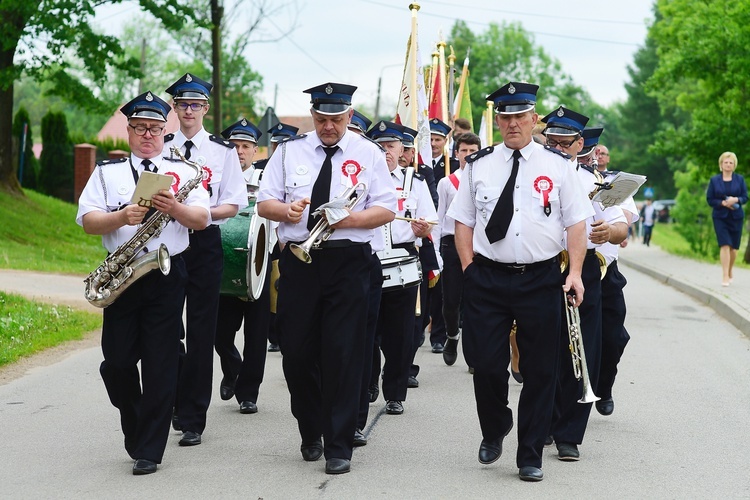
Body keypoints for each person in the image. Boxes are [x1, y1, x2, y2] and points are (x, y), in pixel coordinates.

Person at [447, 82, 593, 482]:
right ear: (498, 121)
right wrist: (468, 268)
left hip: (541, 278)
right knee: (486, 365)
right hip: (487, 278)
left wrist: (575, 273)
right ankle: (495, 427)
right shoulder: (478, 165)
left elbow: (576, 223)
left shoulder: (558, 166)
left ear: (533, 118)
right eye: (505, 116)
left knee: (541, 369)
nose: (512, 124)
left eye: (519, 116)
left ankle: (530, 454)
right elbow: (463, 222)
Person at [257, 82, 396, 475]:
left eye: (336, 119)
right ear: (312, 115)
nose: (328, 127)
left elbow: (386, 208)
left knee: (343, 353)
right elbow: (265, 202)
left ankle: (338, 445)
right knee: (297, 353)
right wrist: (286, 211)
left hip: (349, 261)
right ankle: (310, 427)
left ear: (350, 116)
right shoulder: (288, 152)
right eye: (321, 119)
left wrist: (350, 219)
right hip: (300, 262)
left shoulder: (368, 153)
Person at [76, 91, 210, 475]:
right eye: (140, 128)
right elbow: (87, 222)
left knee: (161, 363)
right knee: (116, 364)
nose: (148, 135)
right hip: (123, 273)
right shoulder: (106, 172)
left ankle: (150, 449)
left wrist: (176, 209)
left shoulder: (184, 172)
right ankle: (135, 422)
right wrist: (121, 217)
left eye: (155, 128)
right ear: (129, 131)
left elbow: (201, 220)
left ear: (165, 131)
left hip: (167, 274)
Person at [164, 73, 248, 447]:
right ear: (175, 108)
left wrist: (198, 213)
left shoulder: (222, 150)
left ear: (206, 109)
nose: (188, 111)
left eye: (195, 105)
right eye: (182, 105)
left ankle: (194, 416)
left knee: (201, 331)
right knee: (166, 327)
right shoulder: (161, 147)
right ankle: (174, 400)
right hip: (165, 242)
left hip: (204, 242)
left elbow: (235, 203)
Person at [542, 111, 628, 463]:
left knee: (584, 350)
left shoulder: (595, 180)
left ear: (580, 145)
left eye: (566, 143)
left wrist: (609, 232)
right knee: (545, 348)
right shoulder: (533, 172)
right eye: (553, 142)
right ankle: (544, 418)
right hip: (543, 265)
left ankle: (569, 434)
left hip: (586, 268)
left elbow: (621, 226)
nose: (559, 149)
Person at [367, 120, 436, 415]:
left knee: (400, 333)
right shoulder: (361, 179)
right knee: (366, 329)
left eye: (391, 146)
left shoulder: (414, 182)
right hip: (368, 258)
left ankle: (395, 392)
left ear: (402, 150)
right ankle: (367, 383)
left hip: (404, 259)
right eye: (379, 146)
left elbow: (431, 220)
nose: (385, 152)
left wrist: (422, 230)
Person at [212, 118, 271, 415]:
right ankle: (232, 369)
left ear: (255, 150)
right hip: (226, 261)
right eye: (234, 146)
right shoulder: (217, 180)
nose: (239, 151)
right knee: (219, 333)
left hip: (261, 261)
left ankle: (249, 393)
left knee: (257, 334)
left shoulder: (267, 179)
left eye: (245, 146)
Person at [590, 142, 639, 417]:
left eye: (602, 153)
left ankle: (604, 387)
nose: (598, 156)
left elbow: (628, 217)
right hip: (571, 265)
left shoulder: (613, 182)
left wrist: (612, 219)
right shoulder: (567, 175)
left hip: (606, 270)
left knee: (614, 337)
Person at [436, 132, 481, 366]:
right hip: (451, 245)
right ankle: (452, 336)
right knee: (451, 301)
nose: (468, 155)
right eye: (464, 151)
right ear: (456, 154)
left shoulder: (485, 179)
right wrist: (435, 252)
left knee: (475, 301)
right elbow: (439, 217)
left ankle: (474, 353)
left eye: (473, 151)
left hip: (478, 247)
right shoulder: (447, 183)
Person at [262, 121, 302, 353]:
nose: (279, 148)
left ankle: (281, 335)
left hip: (286, 238)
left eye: (283, 143)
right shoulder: (263, 167)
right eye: (276, 143)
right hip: (265, 237)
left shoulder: (300, 165)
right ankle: (275, 335)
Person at [707, 151, 748, 286]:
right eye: (726, 162)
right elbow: (710, 199)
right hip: (720, 216)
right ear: (721, 164)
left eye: (731, 163)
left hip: (736, 216)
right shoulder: (714, 180)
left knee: (733, 247)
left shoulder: (740, 179)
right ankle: (725, 276)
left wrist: (736, 199)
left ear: (734, 165)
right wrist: (722, 203)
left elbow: (745, 197)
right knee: (724, 244)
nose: (728, 165)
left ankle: (730, 270)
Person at [430, 118, 459, 182]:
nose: (433, 144)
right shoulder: (418, 163)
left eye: (437, 140)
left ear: (445, 141)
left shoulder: (453, 165)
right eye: (431, 139)